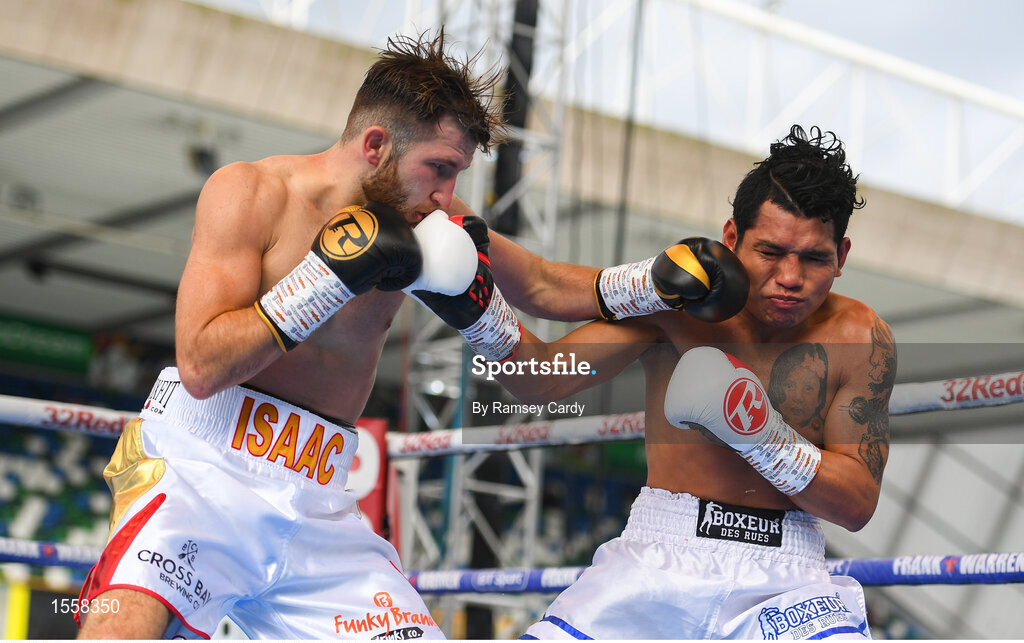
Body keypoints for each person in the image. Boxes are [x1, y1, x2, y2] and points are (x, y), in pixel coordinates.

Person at [74, 30, 602, 640]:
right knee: (127, 622)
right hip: (201, 471)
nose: (446, 196)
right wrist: (327, 280)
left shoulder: (432, 226)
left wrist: (656, 293)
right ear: (376, 145)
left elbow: (542, 302)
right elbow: (200, 365)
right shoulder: (251, 192)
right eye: (439, 168)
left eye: (456, 176)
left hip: (320, 500)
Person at [415, 125, 895, 639]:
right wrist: (475, 311)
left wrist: (759, 435)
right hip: (658, 558)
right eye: (771, 252)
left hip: (788, 583)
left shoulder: (859, 336)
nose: (791, 277)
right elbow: (541, 378)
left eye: (815, 258)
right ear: (731, 238)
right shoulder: (678, 306)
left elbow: (857, 506)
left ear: (842, 256)